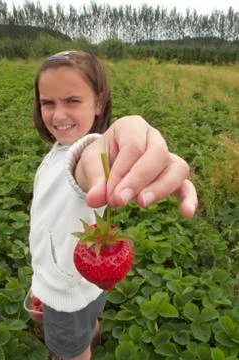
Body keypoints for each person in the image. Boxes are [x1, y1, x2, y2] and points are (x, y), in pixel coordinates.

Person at [29, 50, 197, 360]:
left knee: (71, 351)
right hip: (90, 281)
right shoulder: (57, 149)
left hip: (65, 294)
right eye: (47, 103)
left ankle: (78, 351)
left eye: (72, 101)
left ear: (100, 103)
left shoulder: (86, 155)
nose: (58, 114)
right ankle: (90, 336)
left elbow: (88, 158)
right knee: (89, 318)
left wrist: (114, 141)